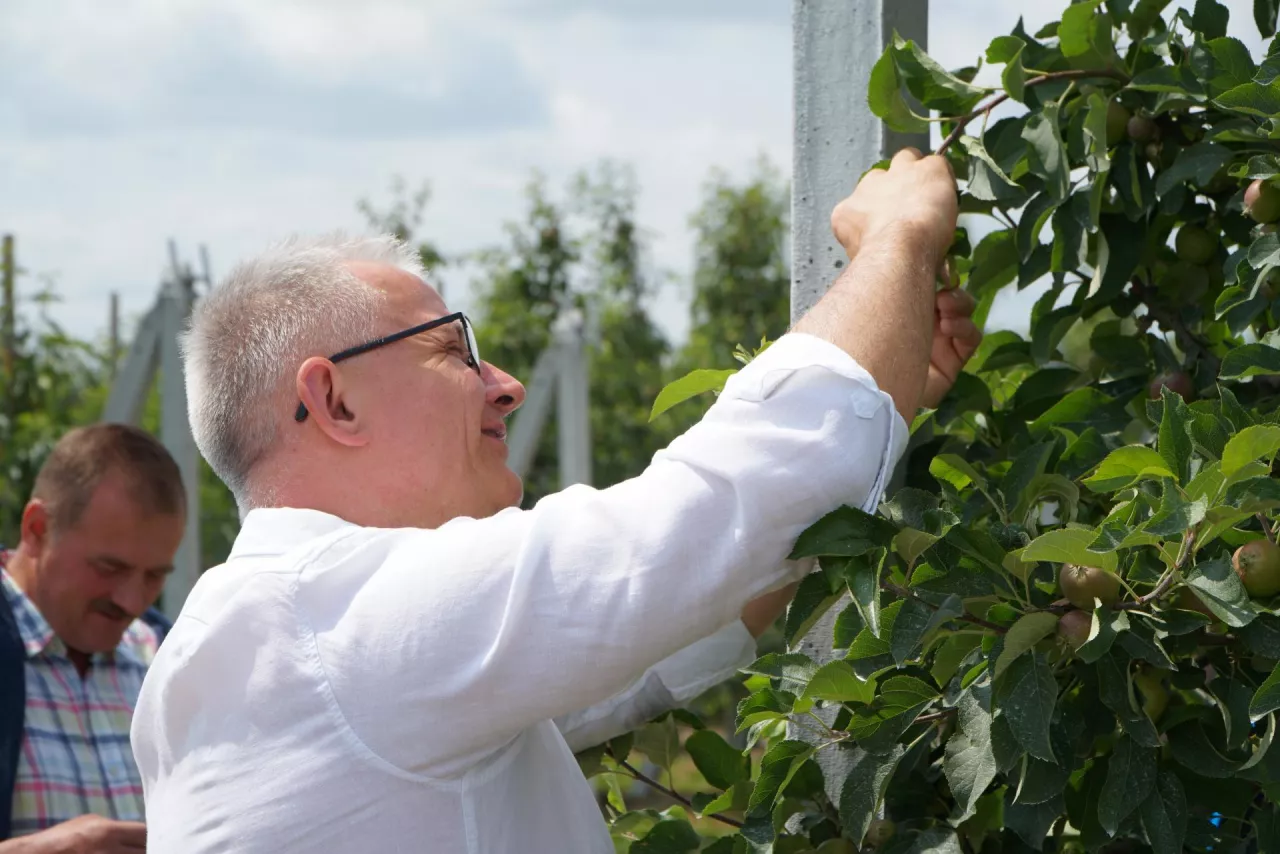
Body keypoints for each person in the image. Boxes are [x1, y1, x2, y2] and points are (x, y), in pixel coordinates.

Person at [132, 148, 980, 853]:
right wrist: (898, 238)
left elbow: (653, 637)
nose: (503, 386)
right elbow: (732, 503)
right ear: (334, 401)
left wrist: (887, 370)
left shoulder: (258, 648)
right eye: (452, 351)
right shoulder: (341, 620)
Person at [0, 423, 187, 852]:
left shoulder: (166, 659)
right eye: (109, 568)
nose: (131, 600)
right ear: (37, 529)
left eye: (154, 575)